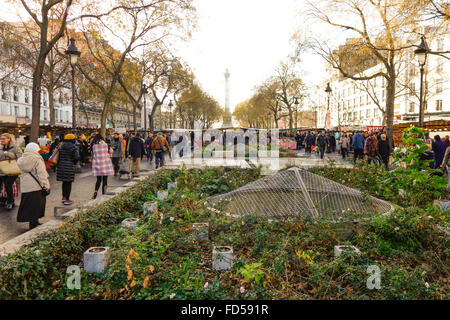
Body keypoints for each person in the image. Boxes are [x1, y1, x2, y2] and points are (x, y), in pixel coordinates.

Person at [16, 143, 50, 230]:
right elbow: (41, 174)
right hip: (36, 186)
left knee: (29, 205)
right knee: (37, 205)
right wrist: (45, 185)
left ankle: (32, 223)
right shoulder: (37, 159)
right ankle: (34, 223)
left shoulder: (21, 160)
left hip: (26, 186)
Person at [0, 133, 22, 210]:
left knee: (8, 185)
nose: (1, 140)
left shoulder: (15, 147)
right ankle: (3, 199)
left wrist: (9, 154)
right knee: (2, 185)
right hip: (2, 170)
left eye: (3, 139)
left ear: (9, 139)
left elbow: (20, 156)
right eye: (1, 139)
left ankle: (10, 202)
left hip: (12, 170)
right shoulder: (0, 147)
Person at [57, 133, 79, 206]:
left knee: (64, 183)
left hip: (61, 166)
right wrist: (74, 162)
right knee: (68, 183)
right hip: (69, 166)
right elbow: (76, 157)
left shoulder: (61, 145)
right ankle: (67, 199)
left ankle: (64, 197)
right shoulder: (73, 147)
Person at [91, 134, 114, 199]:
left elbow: (92, 153)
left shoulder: (93, 146)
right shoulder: (106, 145)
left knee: (98, 180)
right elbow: (111, 151)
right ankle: (104, 193)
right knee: (105, 180)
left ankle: (95, 191)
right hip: (105, 164)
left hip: (97, 164)